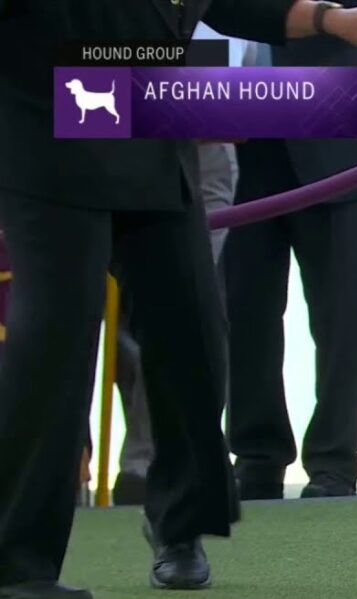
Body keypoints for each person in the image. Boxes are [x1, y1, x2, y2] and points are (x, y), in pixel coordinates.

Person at [0, 0, 357, 599]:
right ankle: (18, 559)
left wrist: (335, 20)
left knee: (194, 331)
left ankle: (180, 524)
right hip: (46, 118)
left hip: (149, 115)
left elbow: (232, 4)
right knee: (56, 337)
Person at [222, 21, 357, 501]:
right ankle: (256, 455)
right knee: (245, 309)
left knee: (339, 313)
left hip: (332, 114)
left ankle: (333, 461)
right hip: (229, 118)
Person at [112, 24, 246, 507]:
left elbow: (244, 25)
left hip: (200, 142)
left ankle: (151, 467)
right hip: (92, 130)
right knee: (92, 314)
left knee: (184, 308)